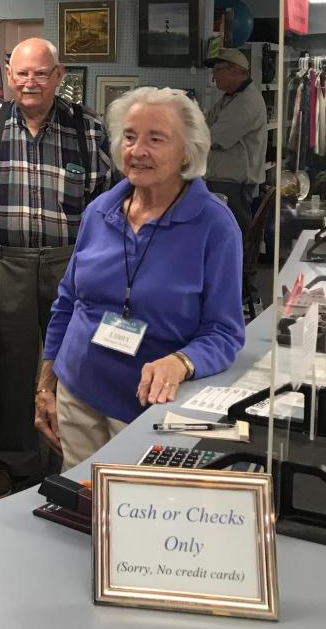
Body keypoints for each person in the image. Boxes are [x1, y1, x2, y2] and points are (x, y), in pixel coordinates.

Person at [35, 87, 246, 470]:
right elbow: (67, 302)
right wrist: (46, 384)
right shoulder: (100, 210)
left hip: (149, 410)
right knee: (80, 511)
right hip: (77, 392)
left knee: (137, 515)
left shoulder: (214, 225)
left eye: (155, 138)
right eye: (130, 137)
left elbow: (225, 331)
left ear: (187, 150)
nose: (138, 150)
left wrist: (181, 361)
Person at [0, 37, 111, 495]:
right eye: (21, 73)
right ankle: (14, 463)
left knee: (69, 361)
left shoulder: (86, 127)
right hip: (6, 260)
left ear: (58, 76)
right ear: (9, 76)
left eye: (40, 73)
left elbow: (105, 199)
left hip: (70, 261)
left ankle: (66, 459)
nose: (30, 82)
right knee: (10, 365)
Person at [204, 48, 268, 235]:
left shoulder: (247, 101)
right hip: (221, 180)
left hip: (232, 184)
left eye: (218, 70)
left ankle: (238, 265)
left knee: (231, 234)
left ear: (235, 71)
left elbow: (213, 137)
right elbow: (203, 127)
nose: (214, 77)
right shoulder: (229, 98)